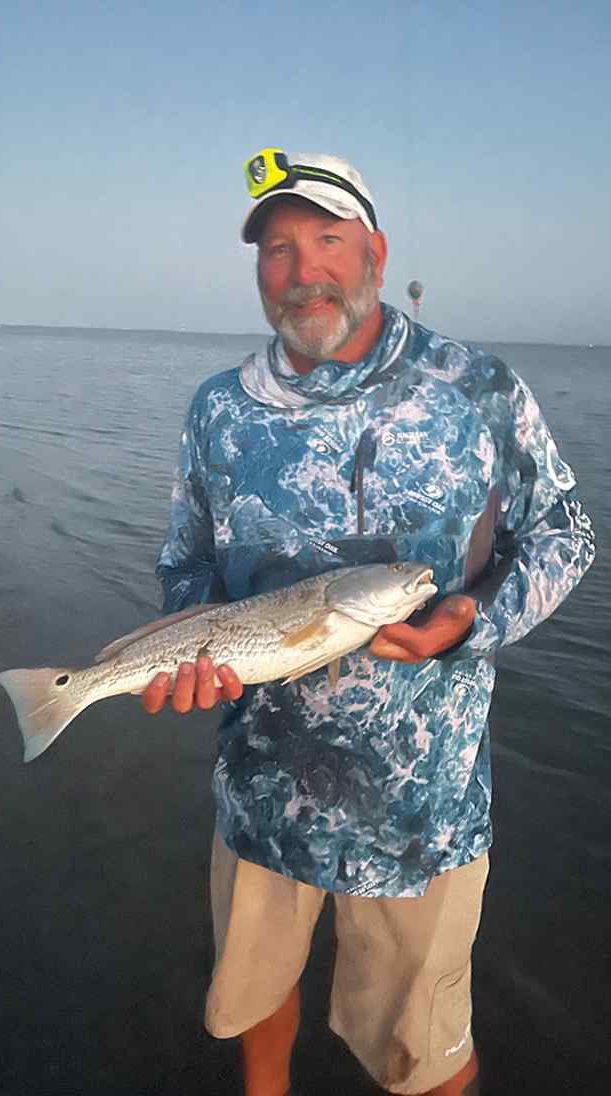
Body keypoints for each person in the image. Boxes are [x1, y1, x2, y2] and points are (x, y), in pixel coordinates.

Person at [143, 149, 595, 1096]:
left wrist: (475, 617)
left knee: (422, 1054)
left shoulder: (474, 387)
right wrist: (195, 649)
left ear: (377, 255)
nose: (302, 271)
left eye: (327, 240)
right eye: (276, 249)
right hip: (260, 794)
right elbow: (185, 565)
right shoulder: (221, 409)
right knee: (254, 999)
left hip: (421, 812)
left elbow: (565, 533)